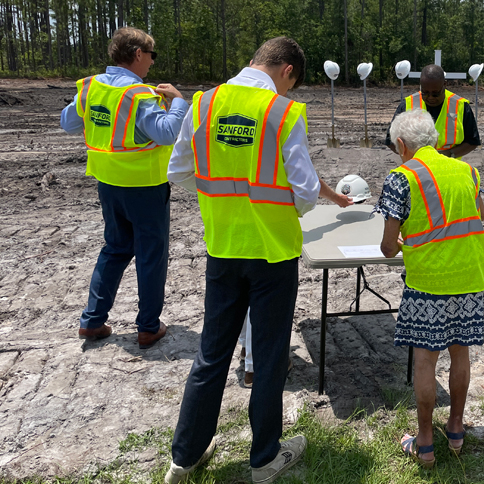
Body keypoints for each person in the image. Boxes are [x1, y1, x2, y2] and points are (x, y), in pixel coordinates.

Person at [163, 37, 351, 484]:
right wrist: (273, 207)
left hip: (224, 247)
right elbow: (305, 191)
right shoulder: (281, 112)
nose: (290, 94)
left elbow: (179, 171)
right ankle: (265, 459)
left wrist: (223, 202)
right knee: (267, 357)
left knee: (212, 355)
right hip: (273, 253)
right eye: (293, 85)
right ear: (287, 70)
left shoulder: (206, 103)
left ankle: (184, 458)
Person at [378, 109, 484, 469]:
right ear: (436, 139)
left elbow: (387, 247)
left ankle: (424, 443)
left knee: (426, 360)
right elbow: (482, 213)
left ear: (401, 144)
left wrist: (402, 241)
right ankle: (455, 430)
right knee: (461, 354)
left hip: (428, 283)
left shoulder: (400, 178)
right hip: (471, 278)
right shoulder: (468, 171)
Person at [61, 26, 186, 349]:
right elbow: (166, 133)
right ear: (138, 54)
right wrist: (178, 103)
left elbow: (68, 123)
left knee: (115, 248)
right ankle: (148, 327)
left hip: (108, 184)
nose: (152, 64)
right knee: (150, 255)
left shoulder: (91, 88)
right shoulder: (139, 94)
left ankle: (92, 321)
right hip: (144, 185)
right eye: (151, 56)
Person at [384, 64, 481, 159]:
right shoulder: (407, 105)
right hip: (417, 167)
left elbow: (472, 141)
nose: (430, 98)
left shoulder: (461, 106)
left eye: (435, 94)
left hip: (448, 167)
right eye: (425, 93)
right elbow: (391, 141)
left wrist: (448, 154)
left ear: (444, 84)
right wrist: (413, 156)